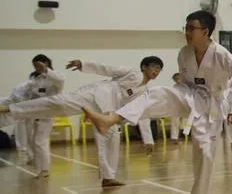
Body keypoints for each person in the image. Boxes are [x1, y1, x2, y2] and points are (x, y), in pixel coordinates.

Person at [84, 11, 232, 194]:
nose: (187, 32)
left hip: (212, 105)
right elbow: (188, 81)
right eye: (186, 28)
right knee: (156, 93)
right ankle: (112, 119)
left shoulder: (221, 54)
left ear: (205, 31)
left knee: (206, 153)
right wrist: (181, 91)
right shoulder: (184, 53)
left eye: (192, 28)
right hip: (188, 93)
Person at [2, 56, 164, 187]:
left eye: (159, 69)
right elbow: (107, 68)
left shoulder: (145, 91)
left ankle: (108, 177)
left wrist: (148, 139)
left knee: (112, 139)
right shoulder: (133, 73)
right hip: (92, 97)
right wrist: (83, 64)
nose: (156, 71)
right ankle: (11, 109)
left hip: (107, 112)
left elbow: (140, 112)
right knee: (58, 103)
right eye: (154, 67)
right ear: (144, 67)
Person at [3, 56, 65, 178]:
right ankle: (39, 166)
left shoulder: (56, 76)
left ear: (46, 62)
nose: (36, 68)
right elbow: (26, 93)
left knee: (40, 140)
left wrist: (45, 70)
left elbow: (60, 81)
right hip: (34, 110)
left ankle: (44, 169)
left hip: (47, 111)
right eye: (34, 66)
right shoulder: (34, 78)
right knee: (32, 139)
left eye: (38, 65)